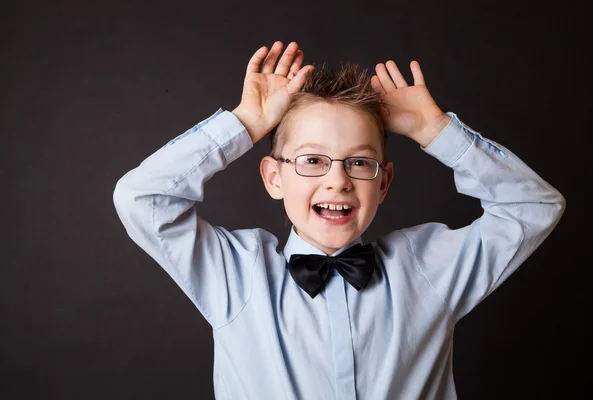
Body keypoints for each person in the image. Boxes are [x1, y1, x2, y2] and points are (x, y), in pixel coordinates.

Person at [112, 40, 565, 399]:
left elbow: (534, 208)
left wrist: (436, 131)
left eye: (359, 163)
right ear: (273, 177)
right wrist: (246, 123)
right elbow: (141, 198)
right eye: (312, 160)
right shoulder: (236, 273)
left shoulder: (428, 268)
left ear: (384, 182)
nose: (337, 181)